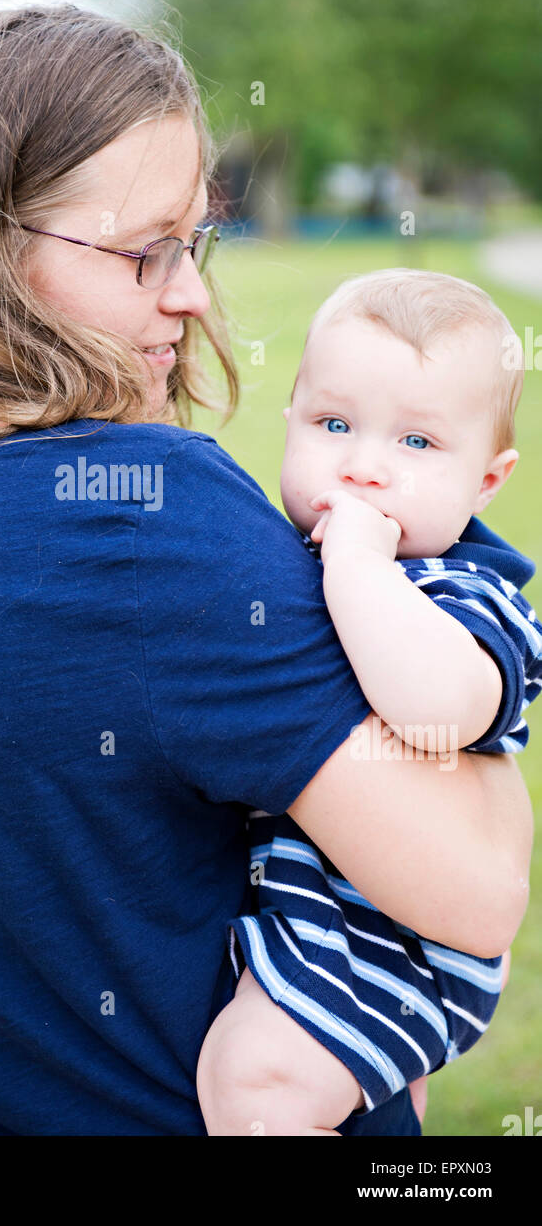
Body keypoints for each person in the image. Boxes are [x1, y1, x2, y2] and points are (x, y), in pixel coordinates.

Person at [0, 4, 532, 1136]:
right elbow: (476, 890)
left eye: (196, 241)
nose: (193, 293)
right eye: (145, 249)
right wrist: (472, 620)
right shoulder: (146, 513)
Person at [196, 270, 542, 1135]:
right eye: (333, 424)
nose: (362, 465)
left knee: (252, 1083)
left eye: (417, 444)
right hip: (316, 913)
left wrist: (356, 563)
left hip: (395, 946)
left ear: (486, 482)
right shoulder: (289, 556)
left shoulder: (468, 594)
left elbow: (438, 709)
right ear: (290, 422)